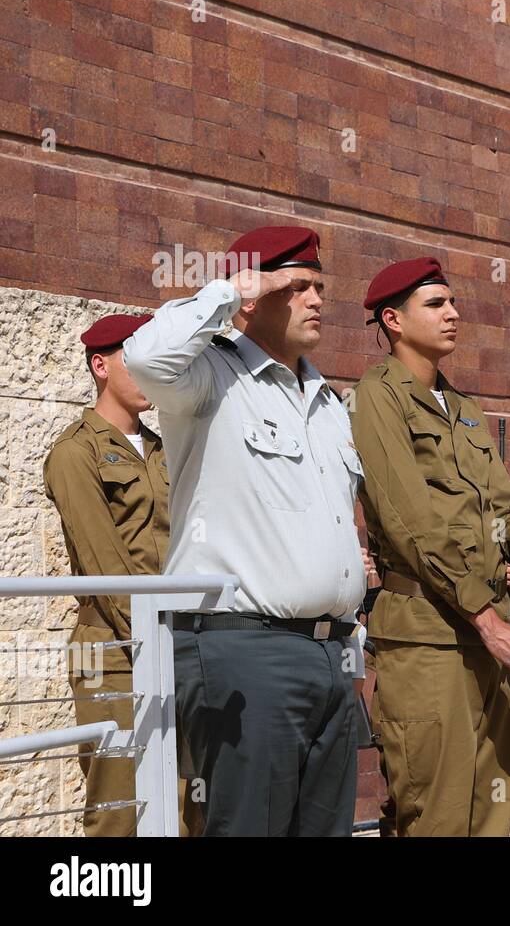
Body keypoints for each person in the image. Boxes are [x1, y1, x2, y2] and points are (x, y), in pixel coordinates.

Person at [123, 225, 367, 836]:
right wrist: (230, 291)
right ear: (255, 296)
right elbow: (145, 357)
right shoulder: (210, 376)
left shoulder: (328, 401)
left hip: (334, 652)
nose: (316, 299)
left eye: (320, 287)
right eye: (299, 286)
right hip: (246, 648)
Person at [349, 257, 510, 836]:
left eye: (453, 303)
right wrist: (486, 615)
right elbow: (410, 520)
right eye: (436, 304)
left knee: (490, 813)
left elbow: (499, 510)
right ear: (393, 320)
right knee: (438, 815)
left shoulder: (464, 410)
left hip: (484, 632)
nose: (453, 314)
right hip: (429, 634)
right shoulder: (379, 395)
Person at [44, 314, 202, 837]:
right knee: (120, 806)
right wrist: (156, 637)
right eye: (137, 361)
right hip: (110, 649)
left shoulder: (167, 448)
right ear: (101, 365)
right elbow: (103, 562)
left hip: (177, 640)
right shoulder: (74, 453)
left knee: (186, 805)